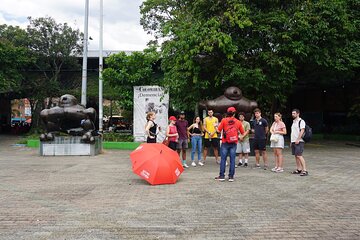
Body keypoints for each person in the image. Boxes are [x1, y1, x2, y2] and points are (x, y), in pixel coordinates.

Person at [215, 107, 245, 182]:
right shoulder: (238, 122)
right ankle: (231, 177)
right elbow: (243, 132)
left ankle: (222, 176)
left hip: (225, 142)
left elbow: (218, 130)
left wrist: (215, 126)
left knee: (223, 159)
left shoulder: (224, 120)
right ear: (234, 113)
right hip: (234, 142)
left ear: (227, 113)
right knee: (232, 160)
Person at [291, 109, 308, 176]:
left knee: (299, 155)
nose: (293, 114)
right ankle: (299, 169)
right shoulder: (294, 122)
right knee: (296, 156)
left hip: (299, 141)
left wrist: (298, 139)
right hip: (294, 141)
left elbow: (302, 130)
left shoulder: (301, 121)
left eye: (294, 113)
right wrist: (291, 141)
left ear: (298, 114)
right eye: (292, 113)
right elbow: (293, 132)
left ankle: (305, 170)